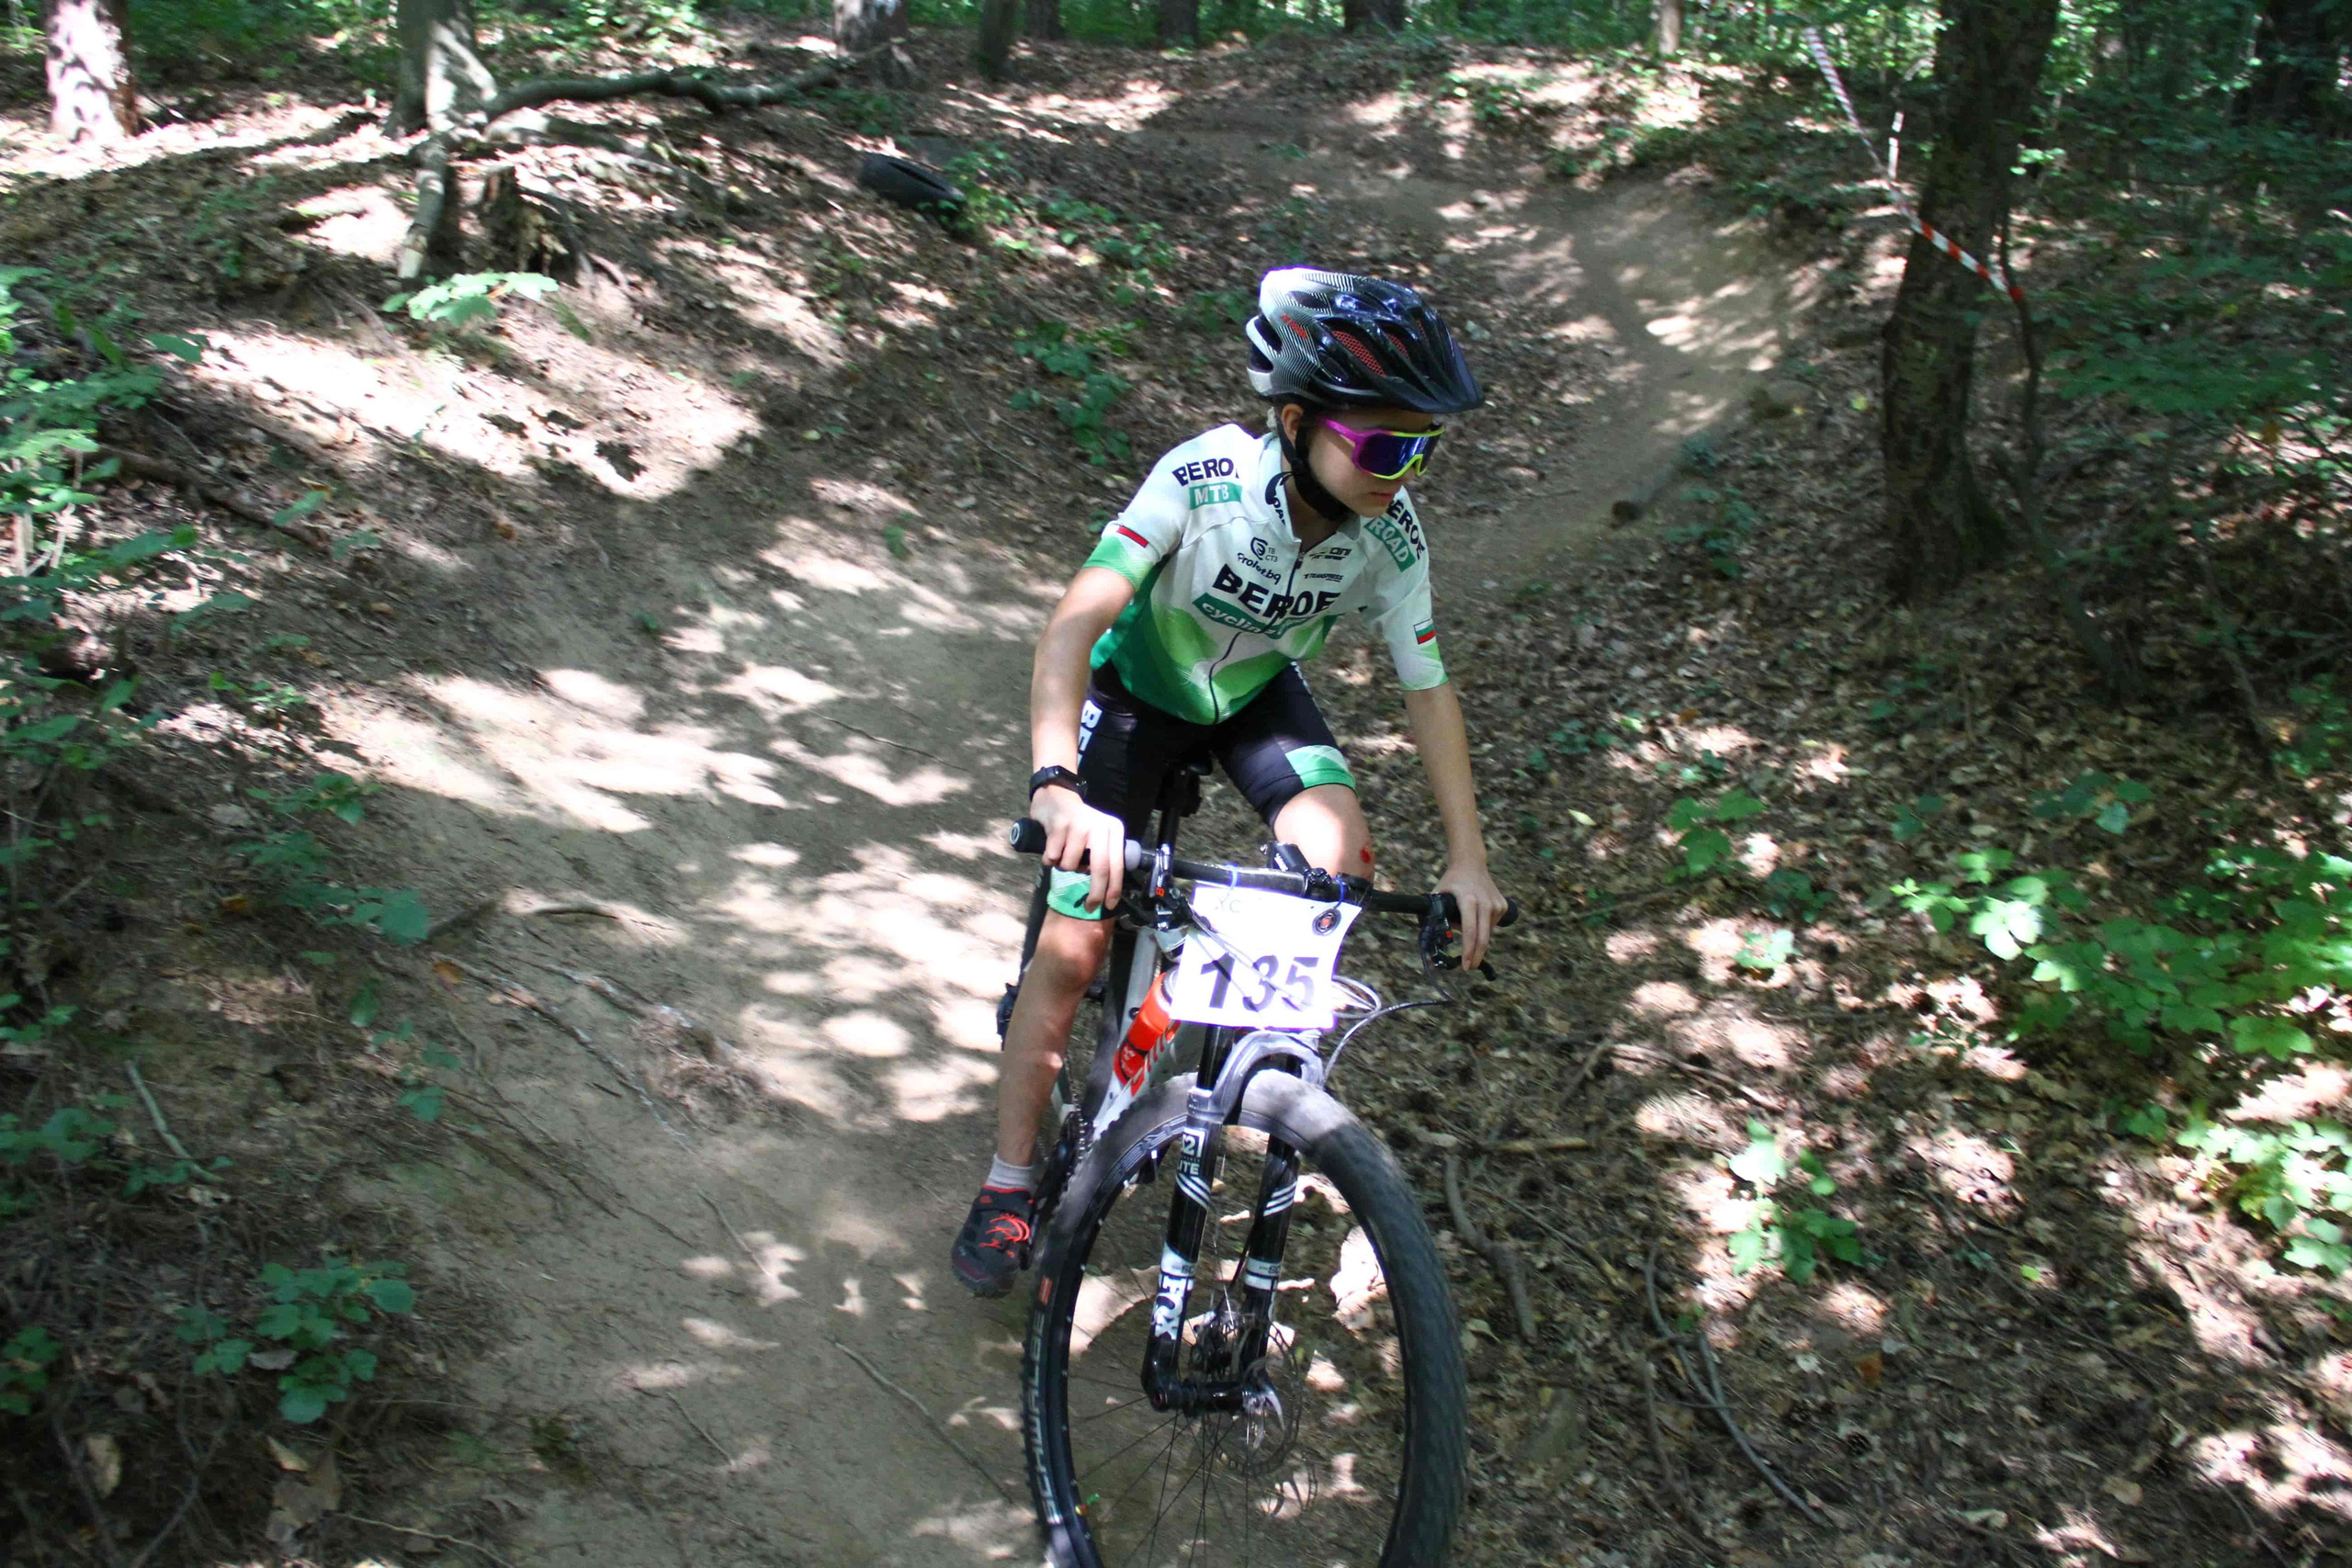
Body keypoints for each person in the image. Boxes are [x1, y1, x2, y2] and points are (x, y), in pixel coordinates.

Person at [951, 266, 1508, 1297]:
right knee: (1073, 955)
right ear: (1296, 423)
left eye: (1422, 446)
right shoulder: (1202, 478)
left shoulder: (1392, 535)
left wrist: (1467, 860)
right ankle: (1007, 1181)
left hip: (1252, 694)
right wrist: (1055, 784)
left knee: (1334, 856)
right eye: (1383, 444)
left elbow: (1429, 690)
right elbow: (1075, 621)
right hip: (1134, 695)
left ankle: (1216, 1061)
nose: (1404, 469)